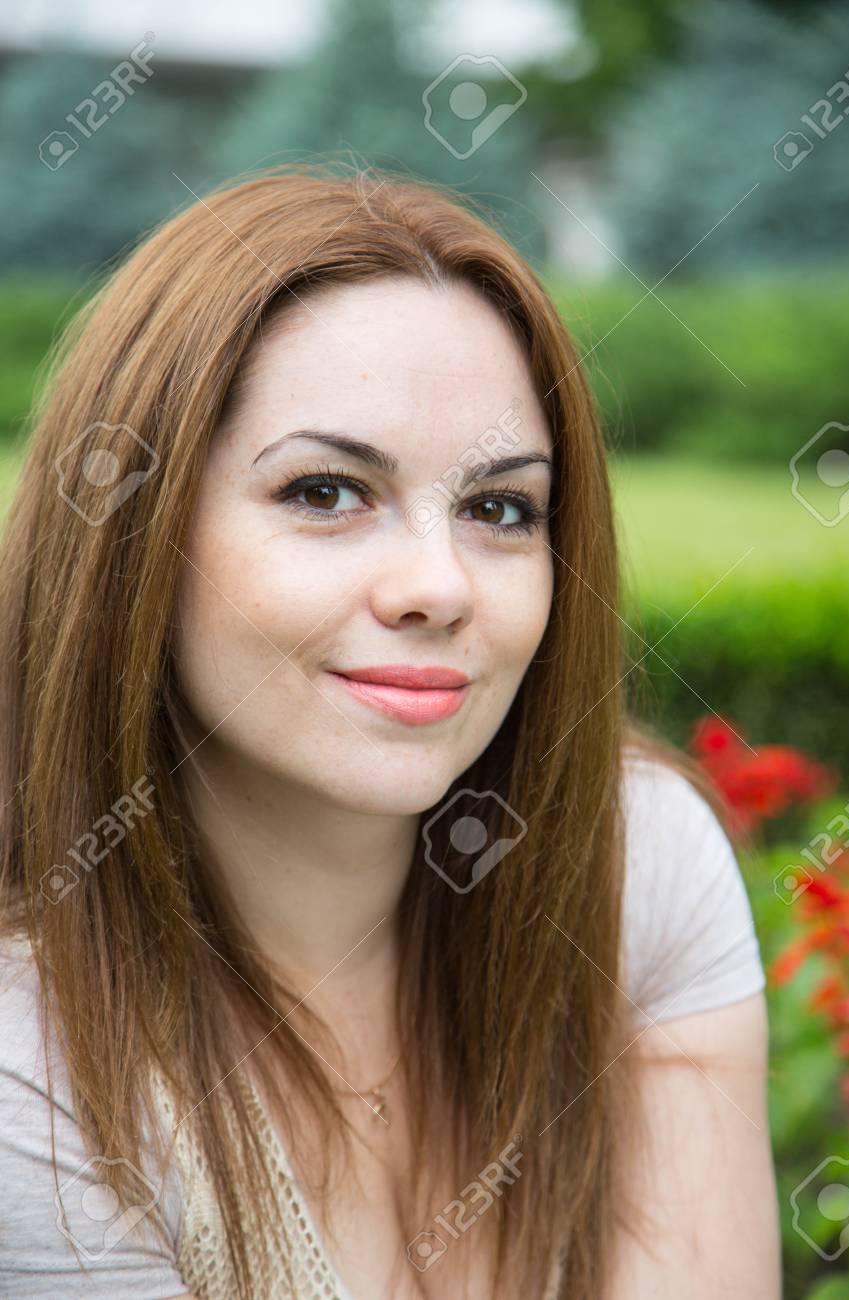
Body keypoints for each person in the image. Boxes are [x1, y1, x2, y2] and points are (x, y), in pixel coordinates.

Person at [0, 164, 781, 1299]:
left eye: (499, 507)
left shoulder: (634, 865)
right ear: (132, 535)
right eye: (324, 491)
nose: (439, 583)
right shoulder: (36, 1068)